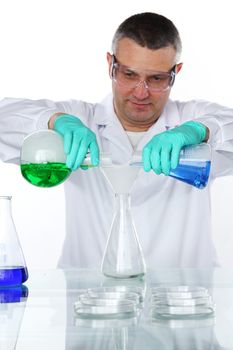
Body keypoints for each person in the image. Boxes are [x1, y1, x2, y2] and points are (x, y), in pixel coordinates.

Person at [0, 12, 233, 269]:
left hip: (183, 302)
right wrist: (52, 120)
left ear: (175, 73)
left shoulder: (192, 120)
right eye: (129, 75)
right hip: (90, 301)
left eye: (156, 78)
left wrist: (203, 130)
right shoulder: (81, 120)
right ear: (110, 64)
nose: (141, 92)